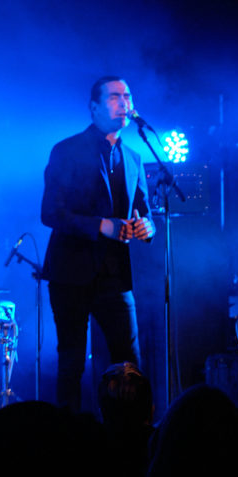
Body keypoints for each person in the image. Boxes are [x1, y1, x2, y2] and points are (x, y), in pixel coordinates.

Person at [41, 76, 155, 412]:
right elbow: (50, 212)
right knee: (72, 363)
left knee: (129, 364)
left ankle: (132, 437)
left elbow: (144, 211)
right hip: (71, 273)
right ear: (94, 108)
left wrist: (146, 226)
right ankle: (69, 441)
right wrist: (101, 225)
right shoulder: (66, 150)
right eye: (115, 97)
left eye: (128, 96)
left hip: (114, 275)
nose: (124, 103)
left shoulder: (134, 156)